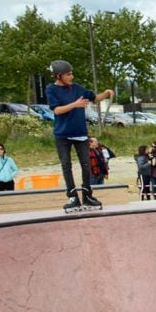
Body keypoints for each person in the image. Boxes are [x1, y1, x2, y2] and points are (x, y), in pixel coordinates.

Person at [46, 59, 113, 211]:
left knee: (86, 164)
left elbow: (95, 98)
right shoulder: (51, 89)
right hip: (62, 134)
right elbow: (56, 110)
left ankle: (87, 195)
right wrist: (75, 105)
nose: (72, 77)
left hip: (80, 133)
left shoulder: (77, 88)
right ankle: (72, 197)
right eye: (68, 75)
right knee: (66, 165)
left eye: (72, 74)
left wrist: (106, 93)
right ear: (58, 76)